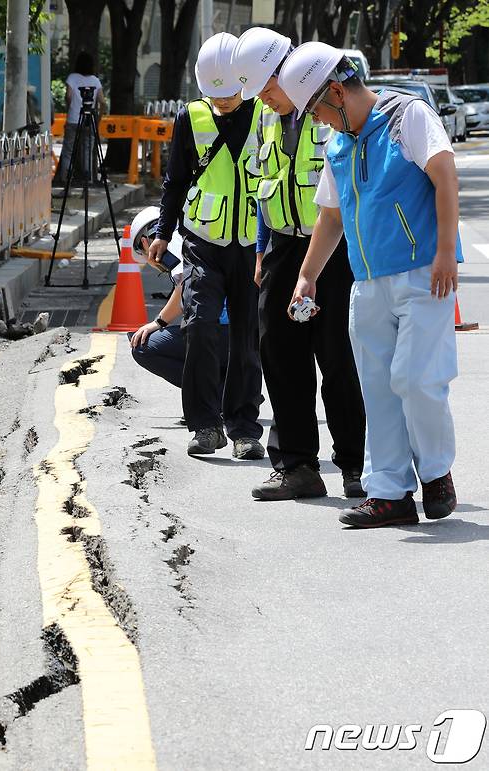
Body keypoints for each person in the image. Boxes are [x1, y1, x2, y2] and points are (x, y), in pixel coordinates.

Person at [278, 42, 462, 528]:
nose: (318, 122)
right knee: (378, 389)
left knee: (416, 379)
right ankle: (390, 492)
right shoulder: (340, 144)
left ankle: (437, 471)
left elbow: (444, 173)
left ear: (337, 91)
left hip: (425, 272)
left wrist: (446, 251)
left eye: (317, 110)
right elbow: (332, 216)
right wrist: (307, 274)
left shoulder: (407, 116)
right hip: (368, 281)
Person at [231, 28, 366, 501]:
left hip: (336, 252)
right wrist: (261, 251)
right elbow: (262, 182)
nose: (265, 101)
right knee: (280, 355)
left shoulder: (331, 114)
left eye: (269, 89)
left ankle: (353, 465)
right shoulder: (266, 119)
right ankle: (297, 465)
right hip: (284, 251)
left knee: (338, 358)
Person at [149, 32, 265, 460]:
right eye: (218, 96)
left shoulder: (264, 114)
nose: (226, 102)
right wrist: (163, 232)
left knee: (246, 338)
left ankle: (244, 428)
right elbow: (175, 180)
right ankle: (205, 426)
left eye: (233, 93)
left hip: (253, 244)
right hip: (203, 240)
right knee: (198, 327)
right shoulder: (191, 118)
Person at [127, 207, 229, 399]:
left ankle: (221, 395)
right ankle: (233, 391)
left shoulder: (172, 245)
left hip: (218, 331)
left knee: (142, 346)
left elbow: (184, 285)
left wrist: (158, 323)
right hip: (243, 332)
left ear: (145, 243)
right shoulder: (194, 234)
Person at [56, 51, 107, 186]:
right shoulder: (95, 80)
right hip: (89, 120)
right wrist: (98, 118)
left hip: (73, 119)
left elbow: (68, 96)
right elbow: (103, 102)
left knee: (68, 150)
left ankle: (65, 178)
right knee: (87, 150)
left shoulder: (72, 77)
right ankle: (88, 178)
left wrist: (70, 108)